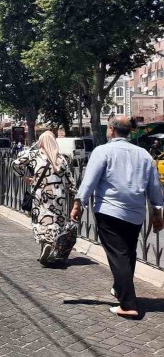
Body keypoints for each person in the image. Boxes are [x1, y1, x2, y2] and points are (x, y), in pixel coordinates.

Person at [71, 117, 164, 319]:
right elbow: (154, 186)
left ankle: (128, 304)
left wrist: (78, 204)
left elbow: (89, 181)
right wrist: (157, 213)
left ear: (112, 130)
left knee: (119, 255)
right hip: (136, 214)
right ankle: (120, 288)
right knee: (128, 253)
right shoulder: (143, 154)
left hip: (109, 211)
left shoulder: (103, 151)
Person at [12, 131, 77, 265]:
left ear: (41, 142)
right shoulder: (61, 159)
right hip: (58, 196)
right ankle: (50, 244)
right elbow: (70, 182)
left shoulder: (34, 155)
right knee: (55, 221)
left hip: (41, 194)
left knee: (42, 219)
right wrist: (74, 199)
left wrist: (24, 177)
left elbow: (16, 164)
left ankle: (45, 243)